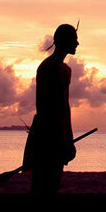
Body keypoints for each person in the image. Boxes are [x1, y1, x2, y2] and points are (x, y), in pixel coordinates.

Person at [21, 24, 78, 194]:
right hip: (47, 133)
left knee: (53, 181)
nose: (77, 43)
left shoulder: (66, 69)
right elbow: (47, 107)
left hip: (58, 132)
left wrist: (68, 135)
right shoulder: (48, 68)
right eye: (74, 39)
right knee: (43, 183)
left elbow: (65, 107)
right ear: (63, 41)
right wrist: (60, 137)